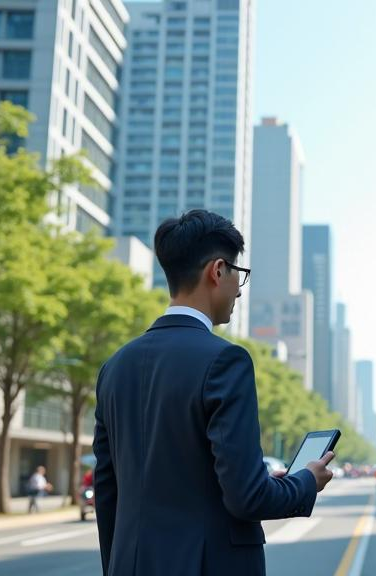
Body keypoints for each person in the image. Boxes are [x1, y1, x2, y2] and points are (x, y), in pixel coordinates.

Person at [93, 210, 335, 576]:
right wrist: (306, 482)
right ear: (217, 271)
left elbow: (107, 492)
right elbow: (247, 497)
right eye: (239, 274)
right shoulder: (226, 360)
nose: (239, 288)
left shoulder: (114, 367)